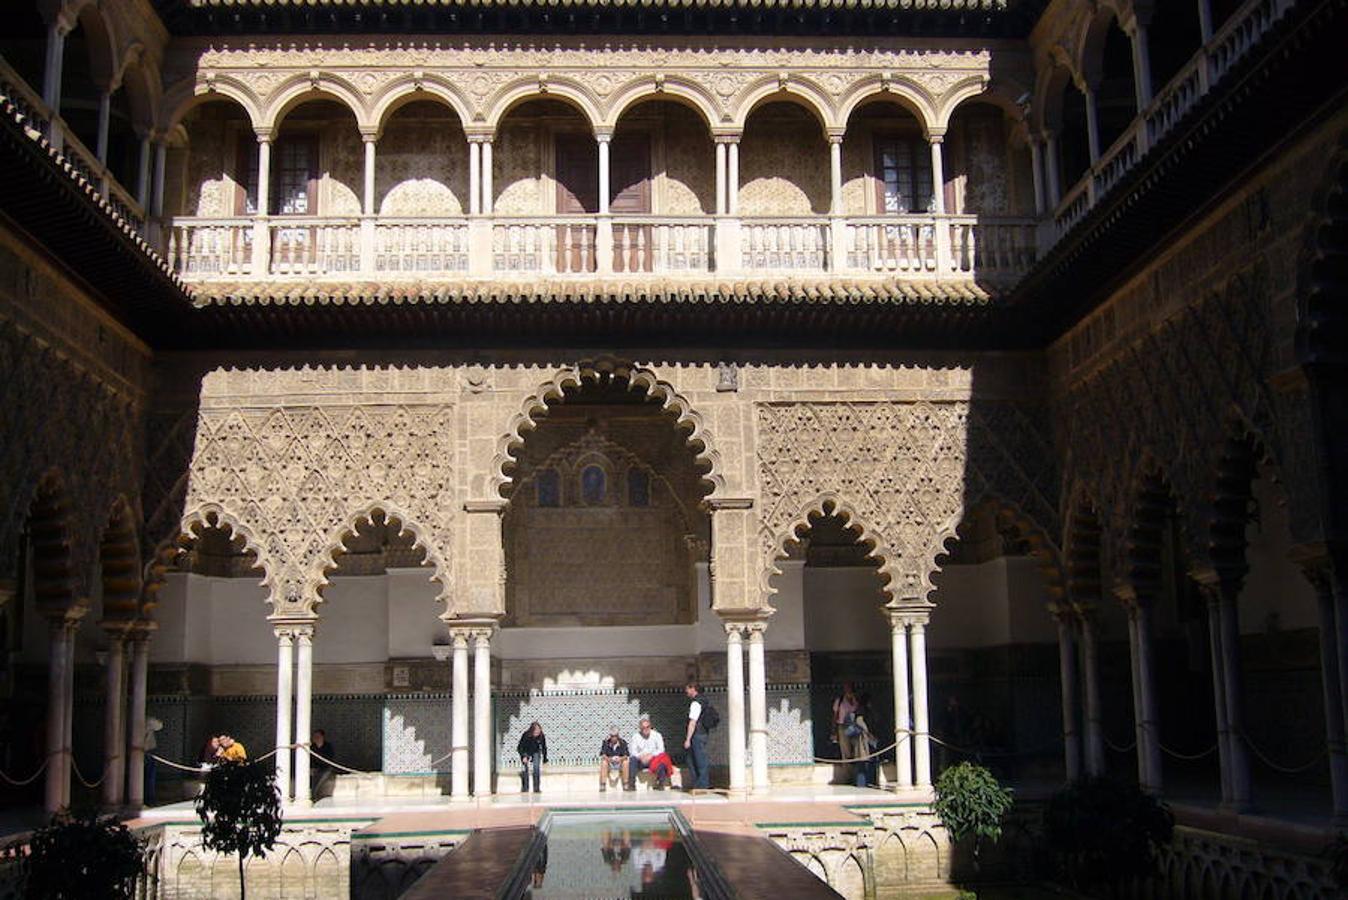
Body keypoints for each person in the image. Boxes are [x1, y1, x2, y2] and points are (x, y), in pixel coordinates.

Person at [628, 715, 671, 790]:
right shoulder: (635, 737)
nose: (646, 729)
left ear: (650, 726)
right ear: (640, 728)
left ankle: (660, 783)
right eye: (643, 728)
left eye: (647, 727)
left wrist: (651, 755)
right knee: (632, 760)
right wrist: (641, 756)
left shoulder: (657, 735)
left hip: (653, 759)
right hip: (641, 760)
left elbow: (661, 749)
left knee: (662, 760)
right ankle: (631, 784)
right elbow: (633, 751)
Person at [682, 681, 711, 791]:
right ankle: (698, 784)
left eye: (687, 689)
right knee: (694, 759)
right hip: (702, 733)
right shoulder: (704, 700)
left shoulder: (696, 703)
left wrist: (688, 739)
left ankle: (702, 785)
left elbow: (692, 722)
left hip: (697, 735)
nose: (686, 691)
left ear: (693, 689)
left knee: (698, 760)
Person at [833, 681, 860, 780]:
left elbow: (858, 710)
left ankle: (857, 774)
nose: (848, 690)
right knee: (846, 752)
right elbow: (835, 716)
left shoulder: (855, 700)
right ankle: (848, 776)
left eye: (849, 688)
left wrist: (853, 699)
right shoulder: (839, 701)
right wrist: (834, 730)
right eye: (846, 688)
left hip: (854, 727)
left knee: (856, 751)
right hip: (843, 727)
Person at [517, 721, 547, 794]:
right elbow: (520, 747)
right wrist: (524, 756)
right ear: (532, 730)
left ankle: (536, 788)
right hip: (525, 751)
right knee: (525, 770)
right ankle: (525, 788)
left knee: (536, 768)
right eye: (536, 731)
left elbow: (544, 747)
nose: (537, 733)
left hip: (535, 751)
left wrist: (545, 758)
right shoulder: (526, 735)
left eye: (538, 731)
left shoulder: (541, 736)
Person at [598, 726, 629, 791]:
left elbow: (626, 755)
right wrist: (609, 759)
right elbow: (603, 754)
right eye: (612, 736)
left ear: (618, 736)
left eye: (615, 736)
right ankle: (603, 784)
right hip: (610, 762)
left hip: (619, 762)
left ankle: (626, 783)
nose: (613, 738)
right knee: (604, 762)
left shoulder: (623, 742)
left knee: (626, 762)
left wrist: (620, 759)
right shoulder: (606, 742)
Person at [311, 729, 338, 799]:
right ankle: (314, 795)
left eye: (318, 736)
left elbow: (328, 759)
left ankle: (317, 794)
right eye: (315, 736)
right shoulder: (312, 747)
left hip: (326, 768)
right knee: (315, 778)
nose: (316, 738)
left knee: (323, 776)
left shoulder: (328, 747)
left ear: (322, 737)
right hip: (316, 769)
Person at [144, 716, 163, 803]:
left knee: (147, 776)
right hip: (148, 752)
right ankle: (149, 798)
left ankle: (148, 798)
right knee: (149, 776)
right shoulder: (148, 721)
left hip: (145, 751)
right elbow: (159, 725)